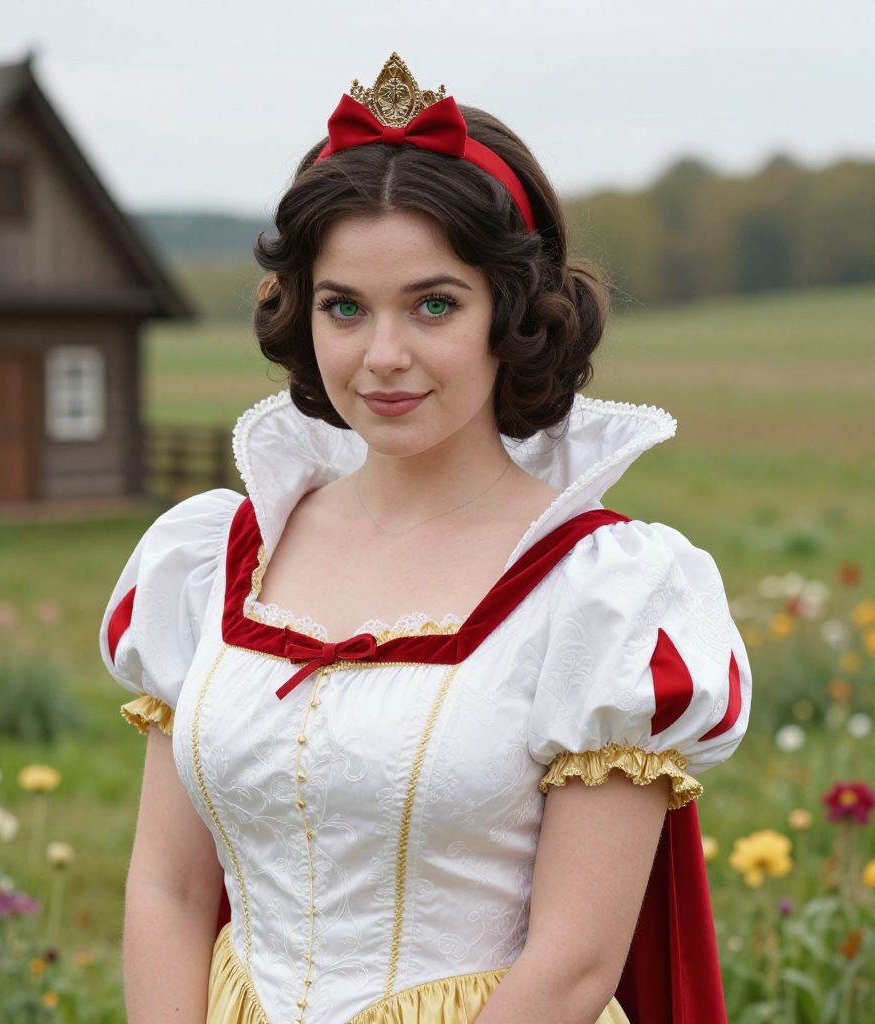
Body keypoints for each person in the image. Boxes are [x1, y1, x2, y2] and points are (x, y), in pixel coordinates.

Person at [100, 52, 751, 1024]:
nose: (383, 356)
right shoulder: (213, 560)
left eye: (433, 304)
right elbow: (170, 888)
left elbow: (573, 963)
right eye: (344, 307)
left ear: (513, 313)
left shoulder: (600, 591)